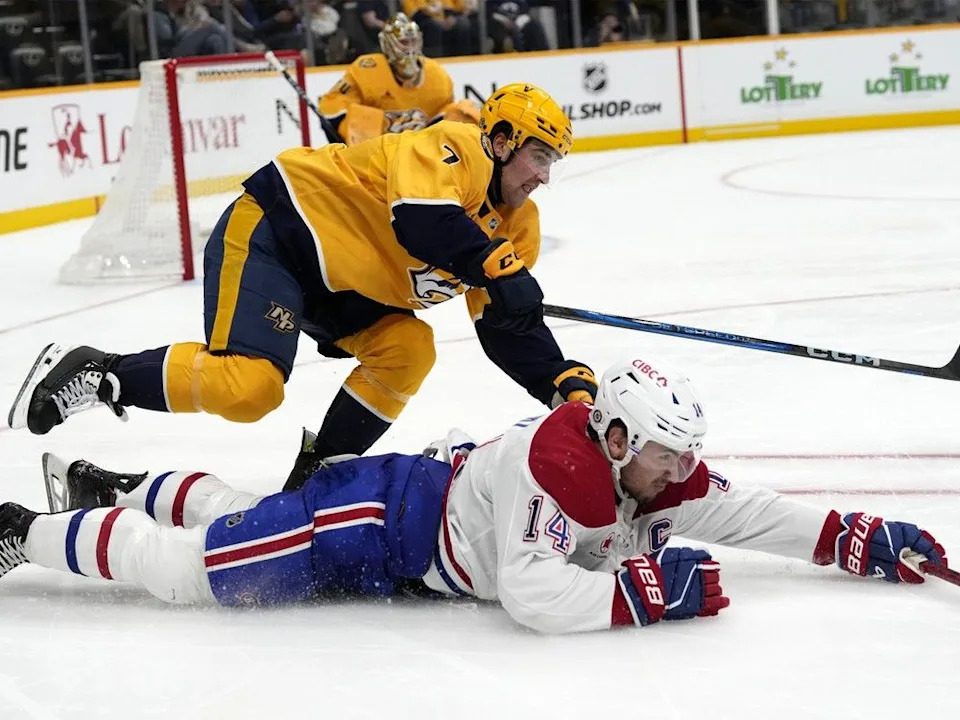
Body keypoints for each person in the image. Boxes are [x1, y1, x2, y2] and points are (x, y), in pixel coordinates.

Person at [0, 356, 947, 634]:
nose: (678, 472)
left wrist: (847, 534)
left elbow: (740, 512)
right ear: (616, 437)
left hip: (405, 538)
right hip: (367, 525)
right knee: (197, 574)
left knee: (235, 512)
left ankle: (116, 486)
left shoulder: (645, 468)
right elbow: (530, 592)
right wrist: (650, 593)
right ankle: (23, 532)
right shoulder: (562, 465)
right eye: (664, 453)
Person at [8, 81, 595, 492]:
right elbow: (422, 221)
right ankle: (98, 369)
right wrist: (496, 269)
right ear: (499, 141)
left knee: (409, 349)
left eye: (553, 162)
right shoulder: (452, 147)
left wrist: (556, 381)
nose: (544, 176)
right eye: (538, 155)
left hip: (341, 289)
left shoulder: (520, 227)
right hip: (278, 233)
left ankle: (322, 471)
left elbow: (504, 327)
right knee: (250, 391)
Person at [317, 12, 478, 146]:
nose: (410, 48)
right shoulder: (367, 68)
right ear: (387, 44)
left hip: (421, 153)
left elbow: (445, 118)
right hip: (376, 155)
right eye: (403, 42)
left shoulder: (436, 74)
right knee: (361, 118)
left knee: (464, 111)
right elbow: (331, 107)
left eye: (413, 41)